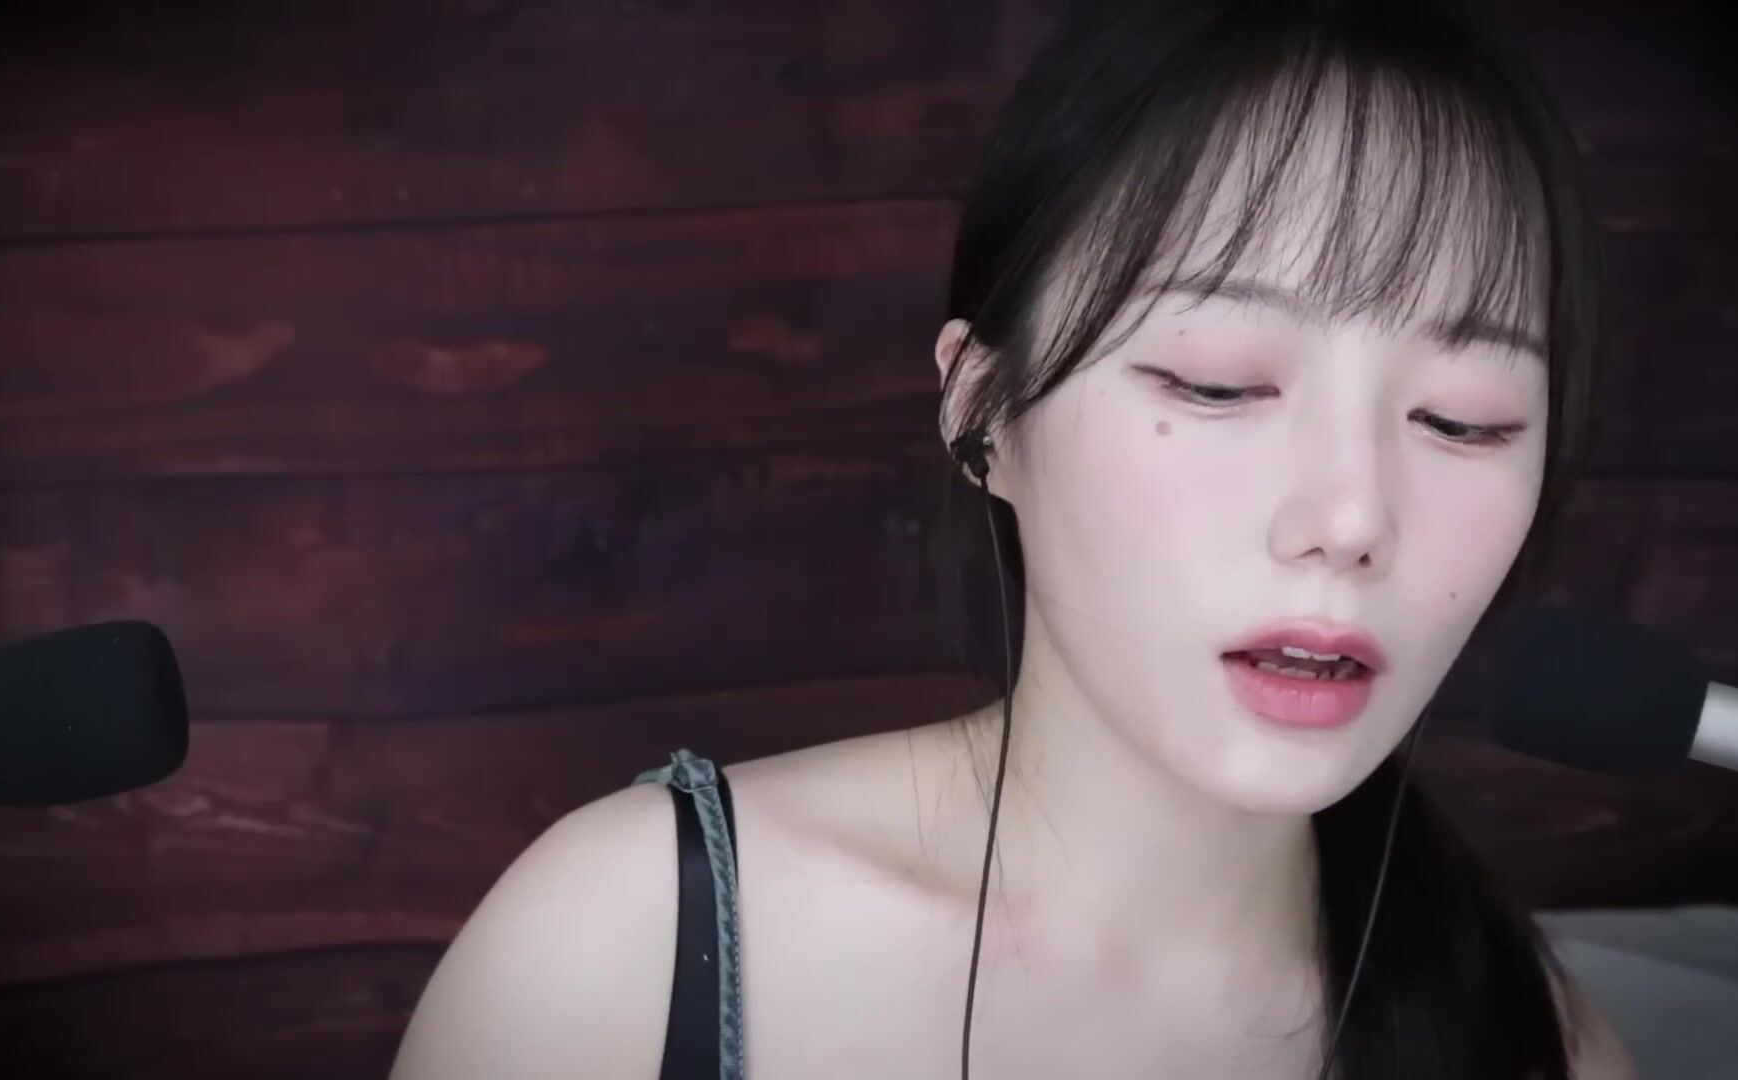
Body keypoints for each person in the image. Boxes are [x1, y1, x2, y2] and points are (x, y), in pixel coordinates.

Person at [392, 0, 1641, 1076]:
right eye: (1217, 382)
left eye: (1464, 419)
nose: (1354, 519)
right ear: (984, 411)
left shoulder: (1535, 1043)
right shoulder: (621, 949)